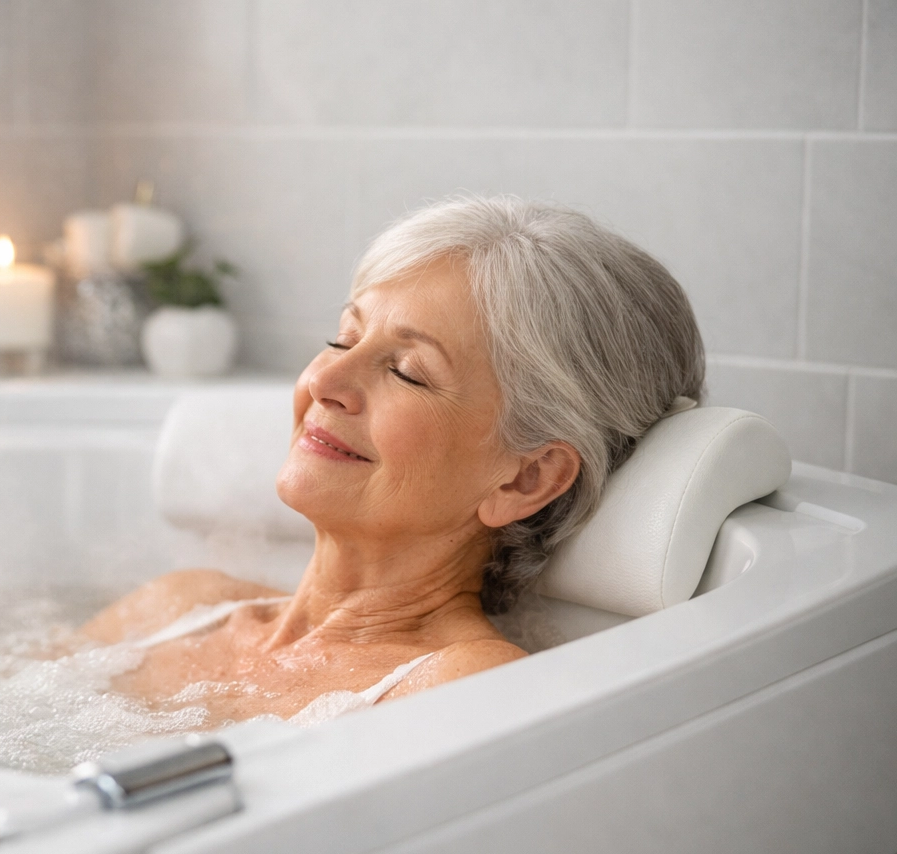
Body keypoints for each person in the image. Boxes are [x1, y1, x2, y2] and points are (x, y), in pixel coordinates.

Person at [83, 195, 706, 723]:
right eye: (344, 337)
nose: (327, 380)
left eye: (407, 373)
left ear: (525, 477)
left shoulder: (467, 688)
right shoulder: (178, 606)